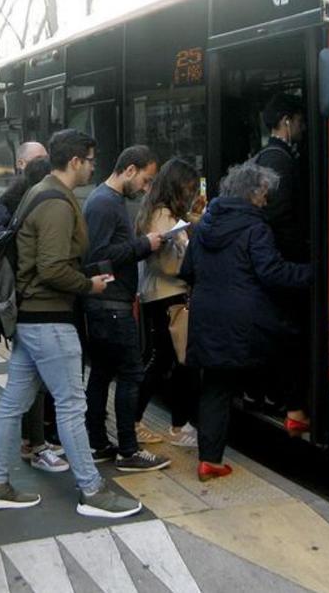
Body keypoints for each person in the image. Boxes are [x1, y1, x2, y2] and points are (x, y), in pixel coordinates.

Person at [0, 129, 142, 517]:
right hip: (50, 319)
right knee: (71, 405)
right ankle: (92, 492)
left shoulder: (39, 192)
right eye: (90, 161)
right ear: (75, 162)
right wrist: (89, 284)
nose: (92, 167)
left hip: (33, 320)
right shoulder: (55, 201)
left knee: (13, 404)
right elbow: (51, 268)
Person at [180, 163, 312, 482]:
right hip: (246, 316)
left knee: (216, 384)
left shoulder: (202, 225)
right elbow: (272, 272)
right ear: (252, 194)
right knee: (291, 344)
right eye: (264, 195)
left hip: (207, 315)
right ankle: (296, 413)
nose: (266, 202)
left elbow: (187, 271)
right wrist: (312, 273)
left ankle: (209, 460)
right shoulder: (256, 228)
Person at [82, 145, 170, 472]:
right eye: (145, 180)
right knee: (131, 374)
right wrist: (144, 245)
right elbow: (98, 256)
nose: (146, 188)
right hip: (111, 304)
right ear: (129, 170)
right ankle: (128, 450)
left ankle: (98, 442)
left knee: (103, 373)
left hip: (108, 303)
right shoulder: (105, 204)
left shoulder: (106, 201)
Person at [0, 144, 68, 473]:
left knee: (26, 386)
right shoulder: (17, 205)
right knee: (35, 387)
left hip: (26, 303)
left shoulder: (21, 201)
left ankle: (19, 455)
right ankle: (34, 446)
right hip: (28, 305)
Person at [252, 93, 312, 433]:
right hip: (286, 263)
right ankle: (292, 404)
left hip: (278, 263)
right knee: (291, 335)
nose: (303, 128)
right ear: (286, 121)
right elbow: (278, 215)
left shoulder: (267, 156)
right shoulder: (281, 160)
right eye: (300, 121)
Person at [135, 158, 205, 448]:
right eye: (187, 187)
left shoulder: (157, 209)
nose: (190, 192)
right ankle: (172, 425)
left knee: (169, 359)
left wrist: (194, 221)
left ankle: (159, 422)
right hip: (168, 295)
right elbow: (171, 261)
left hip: (161, 295)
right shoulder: (162, 214)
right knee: (172, 360)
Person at [0, 141, 48, 234]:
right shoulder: (8, 201)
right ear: (21, 163)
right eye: (39, 159)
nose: (45, 164)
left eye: (47, 159)